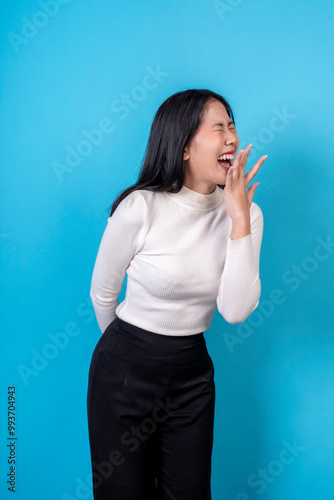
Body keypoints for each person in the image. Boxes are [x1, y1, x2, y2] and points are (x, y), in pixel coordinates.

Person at [87, 89, 266, 499]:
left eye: (232, 125)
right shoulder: (141, 208)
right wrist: (129, 359)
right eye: (218, 127)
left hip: (192, 376)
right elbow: (103, 295)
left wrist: (238, 221)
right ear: (184, 147)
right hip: (124, 370)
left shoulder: (248, 214)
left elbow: (235, 310)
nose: (231, 138)